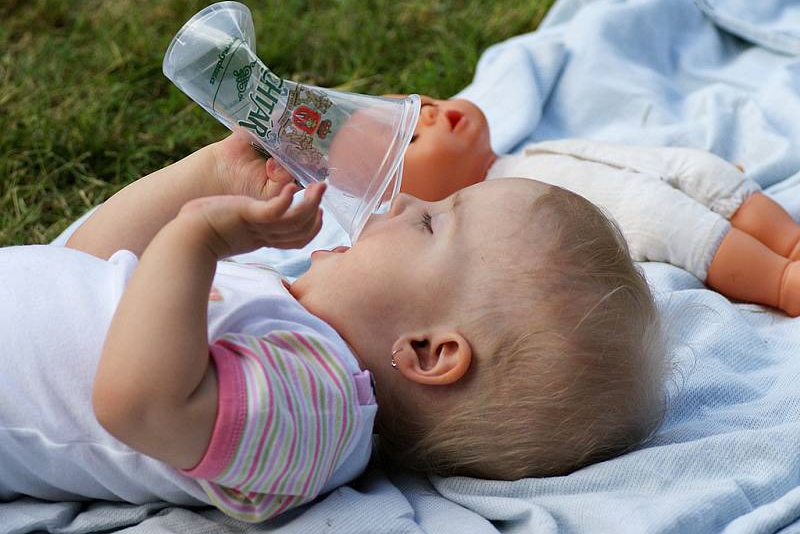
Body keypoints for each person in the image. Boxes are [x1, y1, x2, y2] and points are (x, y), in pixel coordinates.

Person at [0, 131, 665, 523]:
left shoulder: (313, 413)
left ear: (431, 352)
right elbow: (87, 272)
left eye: (431, 222)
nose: (402, 201)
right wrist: (200, 178)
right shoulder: (290, 314)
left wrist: (196, 240)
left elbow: (136, 404)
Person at [370, 95, 800, 317]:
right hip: (631, 212)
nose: (430, 115)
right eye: (411, 137)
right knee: (686, 231)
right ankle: (780, 281)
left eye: (426, 103)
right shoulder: (481, 212)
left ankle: (788, 238)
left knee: (708, 171)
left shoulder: (523, 154)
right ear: (398, 195)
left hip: (648, 169)